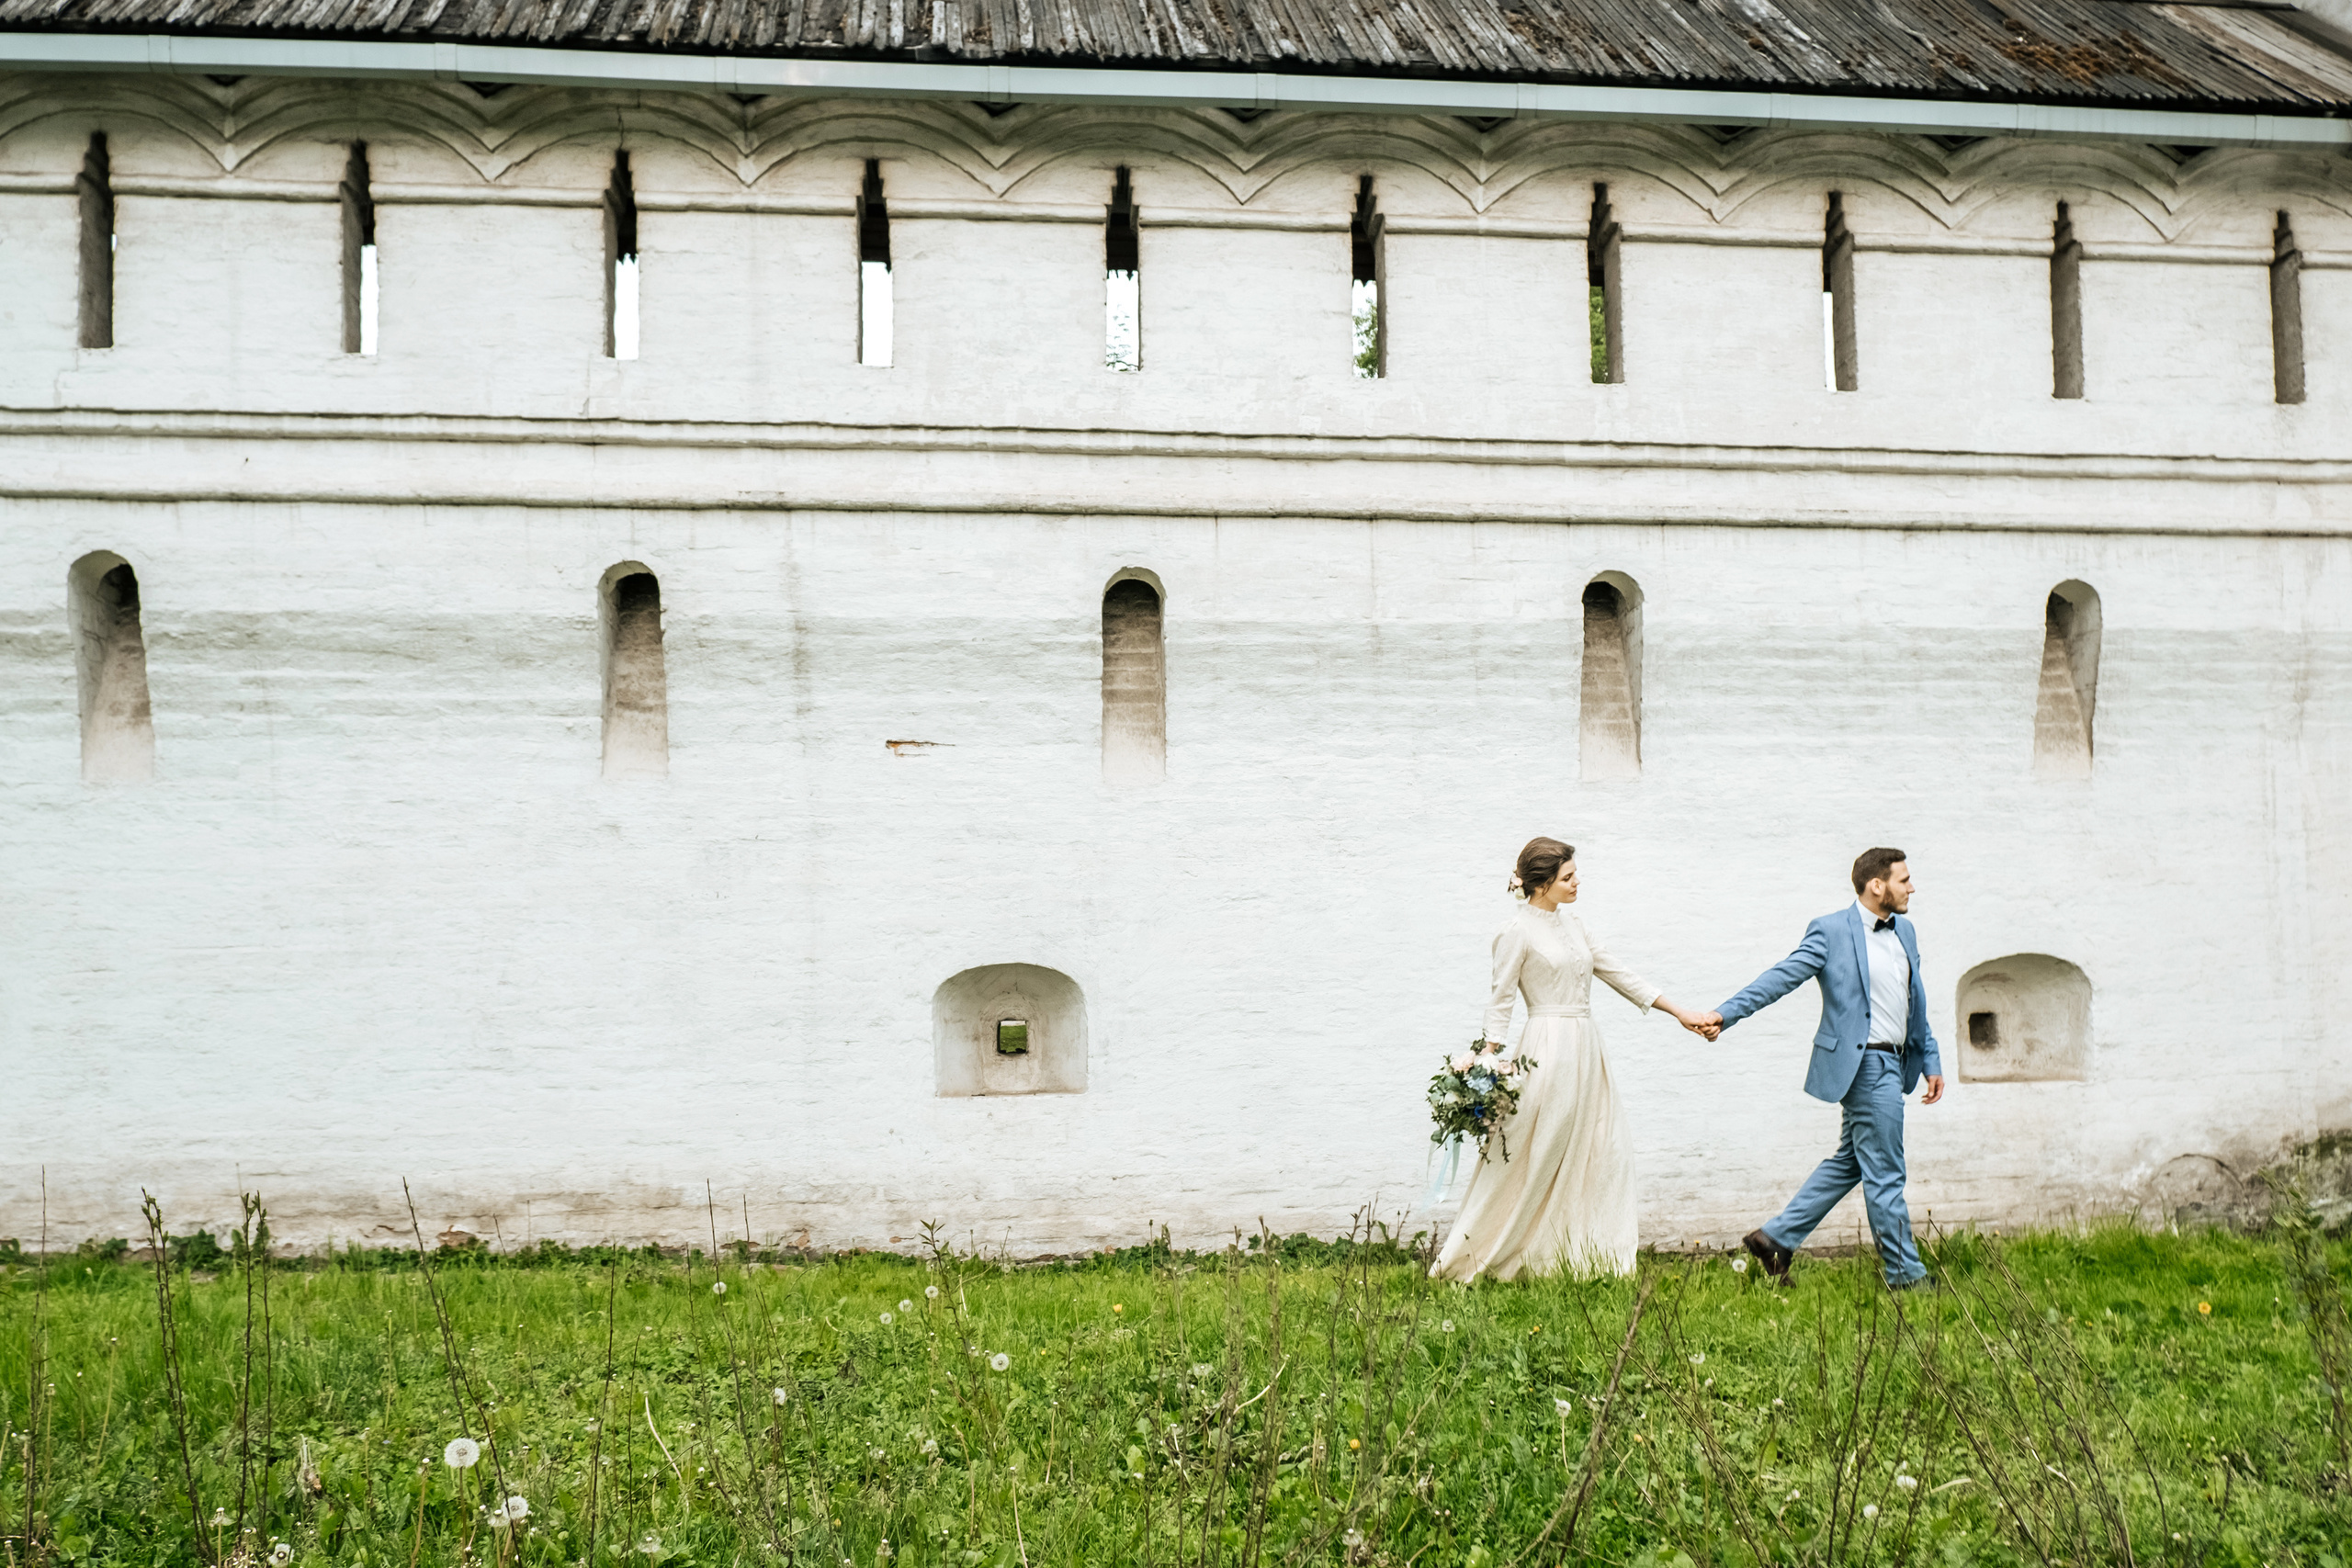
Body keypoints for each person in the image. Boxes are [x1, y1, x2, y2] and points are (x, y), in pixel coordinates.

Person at [1430, 837, 1719, 1282]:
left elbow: (1619, 973)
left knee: (1604, 1150)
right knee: (1537, 1150)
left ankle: (1585, 1256)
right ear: (1541, 885)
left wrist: (1678, 1012)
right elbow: (1501, 999)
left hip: (1587, 1047)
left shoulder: (1577, 926)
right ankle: (1481, 1254)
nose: (1577, 882)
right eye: (1568, 877)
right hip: (1545, 1050)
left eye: (1574, 874)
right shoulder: (1516, 932)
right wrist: (1485, 1060)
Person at [1694, 848, 1946, 1292]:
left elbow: (1915, 1002)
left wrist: (1930, 1058)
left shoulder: (1904, 931)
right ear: (1876, 885)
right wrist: (1725, 1014)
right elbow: (1782, 977)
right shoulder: (1831, 932)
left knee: (1851, 1161)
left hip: (1896, 1059)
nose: (1912, 888)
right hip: (1865, 1064)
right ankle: (1907, 1276)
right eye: (1904, 880)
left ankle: (1774, 1239)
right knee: (1886, 1172)